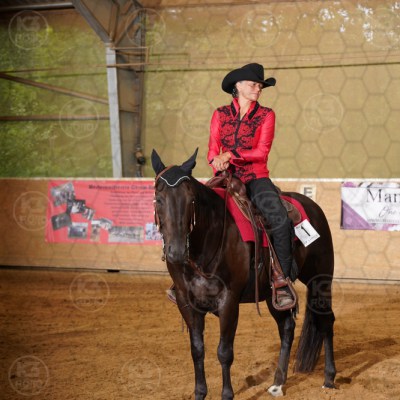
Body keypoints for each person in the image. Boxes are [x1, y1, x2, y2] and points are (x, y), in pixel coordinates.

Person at [207, 63, 295, 308]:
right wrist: (216, 161)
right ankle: (187, 274)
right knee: (194, 209)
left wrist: (230, 155)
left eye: (260, 86)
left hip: (256, 178)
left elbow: (261, 152)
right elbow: (212, 148)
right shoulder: (220, 114)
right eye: (253, 84)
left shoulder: (266, 115)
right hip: (225, 177)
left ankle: (281, 281)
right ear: (238, 86)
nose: (258, 89)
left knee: (280, 220)